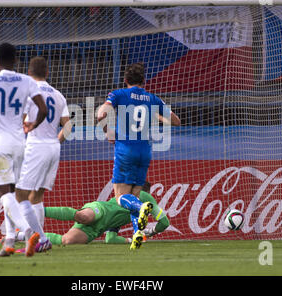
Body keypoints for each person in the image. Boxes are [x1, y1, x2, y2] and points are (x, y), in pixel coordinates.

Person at [96, 62, 180, 250]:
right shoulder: (153, 99)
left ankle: (141, 211)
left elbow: (101, 114)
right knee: (135, 194)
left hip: (125, 149)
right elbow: (176, 121)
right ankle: (137, 235)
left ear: (125, 80)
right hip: (145, 151)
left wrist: (108, 132)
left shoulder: (118, 94)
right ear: (144, 81)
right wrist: (156, 117)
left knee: (121, 196)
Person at [0, 42, 47, 257]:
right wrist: (32, 125)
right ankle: (9, 239)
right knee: (16, 193)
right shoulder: (27, 81)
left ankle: (26, 231)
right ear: (16, 60)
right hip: (20, 144)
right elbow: (42, 109)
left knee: (2, 192)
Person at [13, 56, 71, 253]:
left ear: (29, 73)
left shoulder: (29, 93)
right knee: (36, 196)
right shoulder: (58, 95)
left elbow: (19, 122)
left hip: (36, 145)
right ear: (47, 73)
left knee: (20, 194)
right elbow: (69, 127)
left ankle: (40, 239)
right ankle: (34, 239)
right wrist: (55, 140)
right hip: (54, 147)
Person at [39, 182, 170, 246]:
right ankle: (39, 211)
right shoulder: (144, 196)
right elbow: (164, 223)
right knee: (84, 217)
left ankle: (26, 236)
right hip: (100, 209)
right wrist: (151, 232)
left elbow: (110, 239)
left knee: (66, 240)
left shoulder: (129, 216)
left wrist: (133, 239)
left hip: (98, 228)